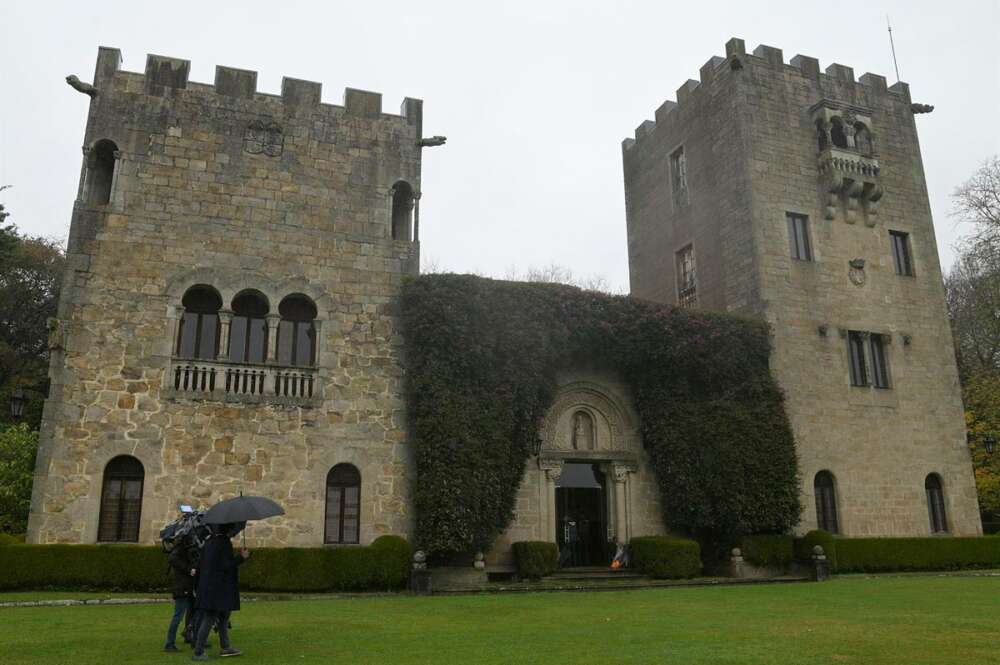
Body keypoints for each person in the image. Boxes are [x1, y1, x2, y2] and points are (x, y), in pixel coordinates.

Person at [192, 523, 249, 661]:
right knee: (209, 619)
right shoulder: (223, 544)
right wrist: (242, 557)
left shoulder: (209, 542)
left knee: (223, 618)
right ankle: (198, 652)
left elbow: (202, 565)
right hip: (217, 590)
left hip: (210, 588)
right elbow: (226, 565)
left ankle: (225, 646)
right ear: (228, 530)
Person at [164, 542, 198, 652]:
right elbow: (173, 559)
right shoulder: (178, 552)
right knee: (178, 616)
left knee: (194, 612)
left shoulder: (183, 550)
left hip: (186, 588)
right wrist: (189, 569)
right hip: (182, 589)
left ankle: (190, 635)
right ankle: (169, 643)